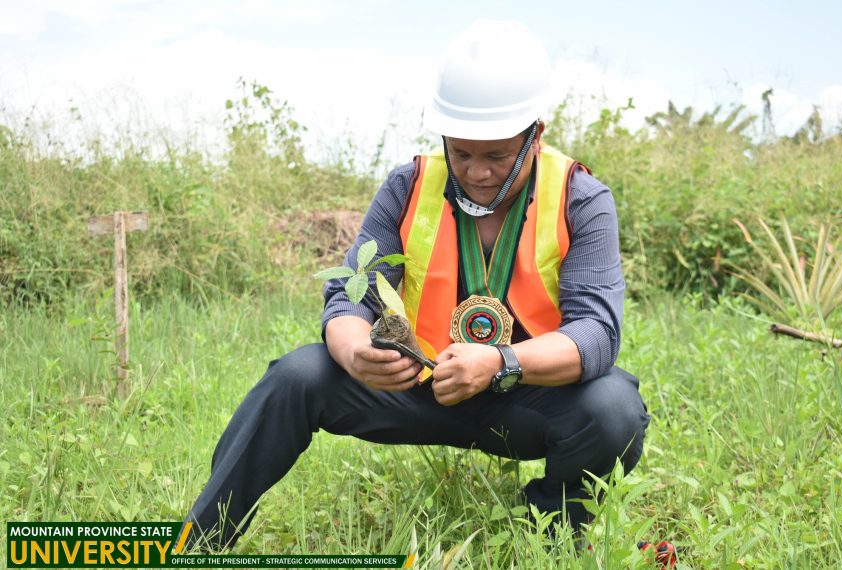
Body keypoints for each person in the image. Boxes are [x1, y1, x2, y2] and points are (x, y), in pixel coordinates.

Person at [184, 19, 649, 549]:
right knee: (297, 374)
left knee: (614, 410)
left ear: (535, 136)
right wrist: (355, 349)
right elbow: (350, 292)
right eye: (462, 153)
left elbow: (597, 332)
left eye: (497, 156)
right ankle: (200, 539)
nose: (476, 172)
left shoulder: (581, 199)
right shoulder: (407, 186)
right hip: (416, 387)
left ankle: (543, 536)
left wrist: (500, 363)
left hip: (522, 394)